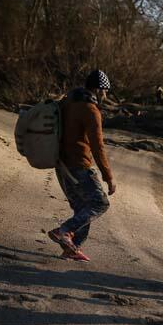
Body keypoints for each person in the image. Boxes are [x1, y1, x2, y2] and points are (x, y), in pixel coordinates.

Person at [47, 70, 115, 262]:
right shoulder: (90, 110)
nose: (105, 96)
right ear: (98, 89)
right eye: (105, 91)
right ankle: (65, 230)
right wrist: (108, 177)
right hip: (79, 166)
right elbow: (97, 146)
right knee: (99, 203)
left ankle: (72, 248)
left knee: (83, 210)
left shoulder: (67, 101)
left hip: (60, 165)